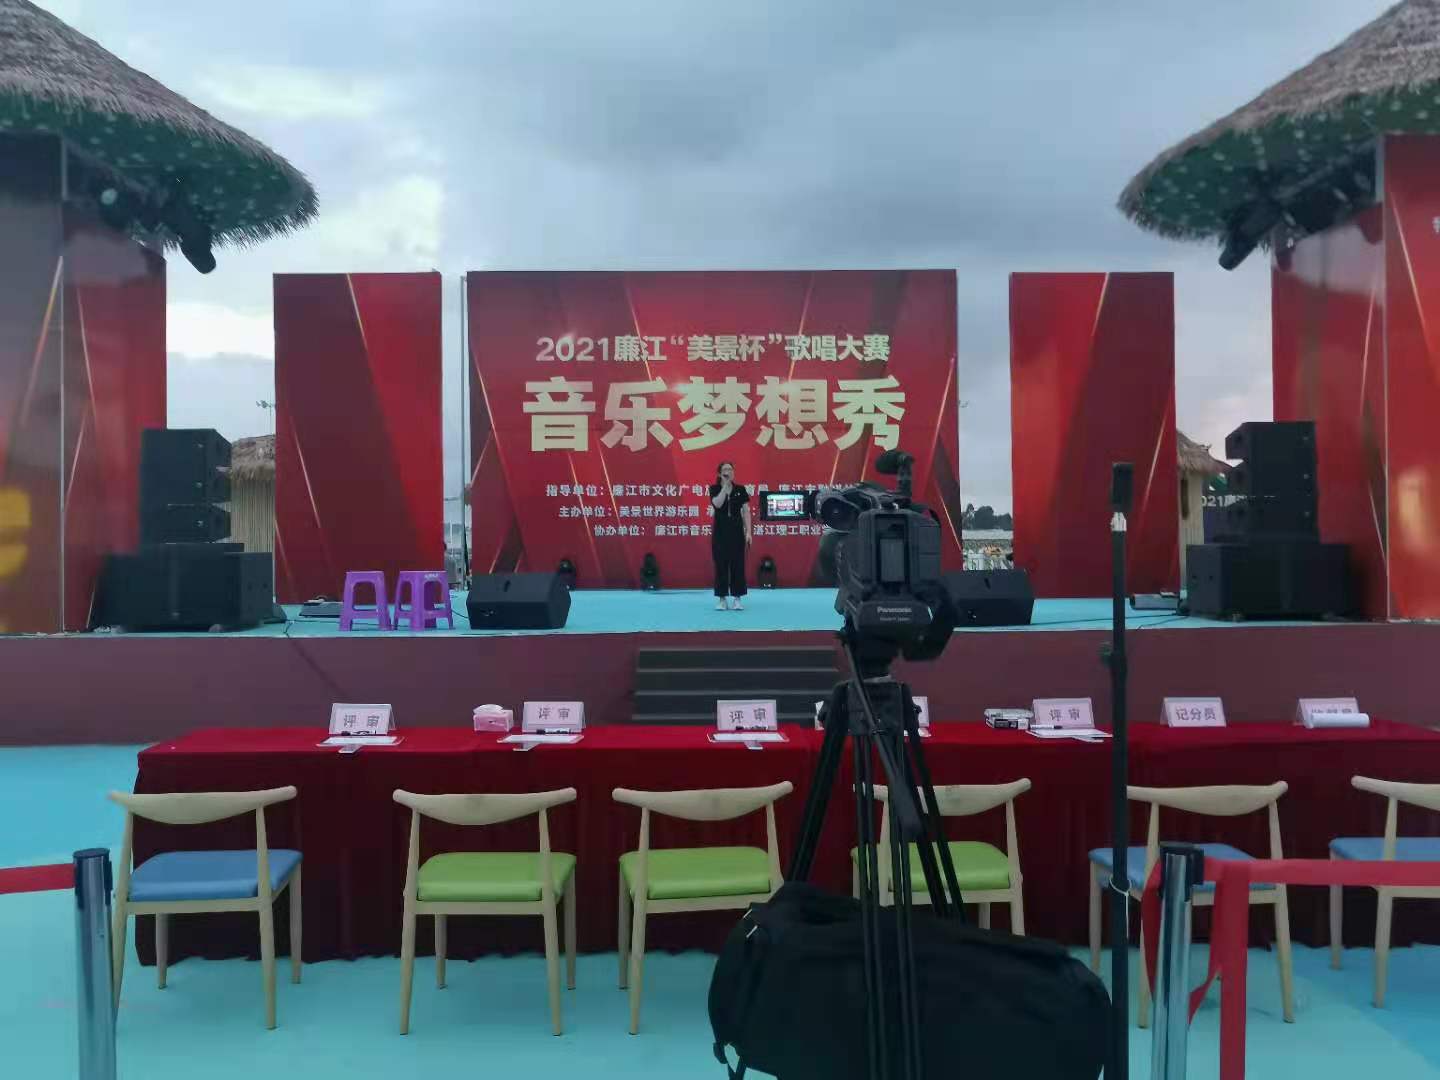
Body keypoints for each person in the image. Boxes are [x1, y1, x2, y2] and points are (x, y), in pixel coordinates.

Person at [709, 461, 752, 610]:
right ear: (720, 473)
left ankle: (737, 598)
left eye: (731, 469)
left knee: (737, 565)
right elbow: (717, 504)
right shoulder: (714, 488)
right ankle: (722, 599)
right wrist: (725, 487)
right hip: (720, 533)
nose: (729, 472)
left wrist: (749, 532)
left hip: (736, 532)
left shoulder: (740, 489)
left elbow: (746, 511)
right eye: (725, 469)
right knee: (721, 565)